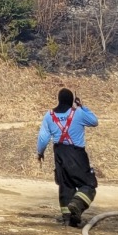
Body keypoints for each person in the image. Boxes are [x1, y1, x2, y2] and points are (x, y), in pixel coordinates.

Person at [37, 88, 98, 227]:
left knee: (66, 185)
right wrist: (82, 106)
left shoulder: (49, 115)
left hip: (59, 154)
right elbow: (94, 121)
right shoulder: (78, 113)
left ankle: (67, 218)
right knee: (89, 184)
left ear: (58, 99)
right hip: (77, 154)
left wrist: (40, 152)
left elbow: (43, 137)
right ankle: (77, 204)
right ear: (72, 101)